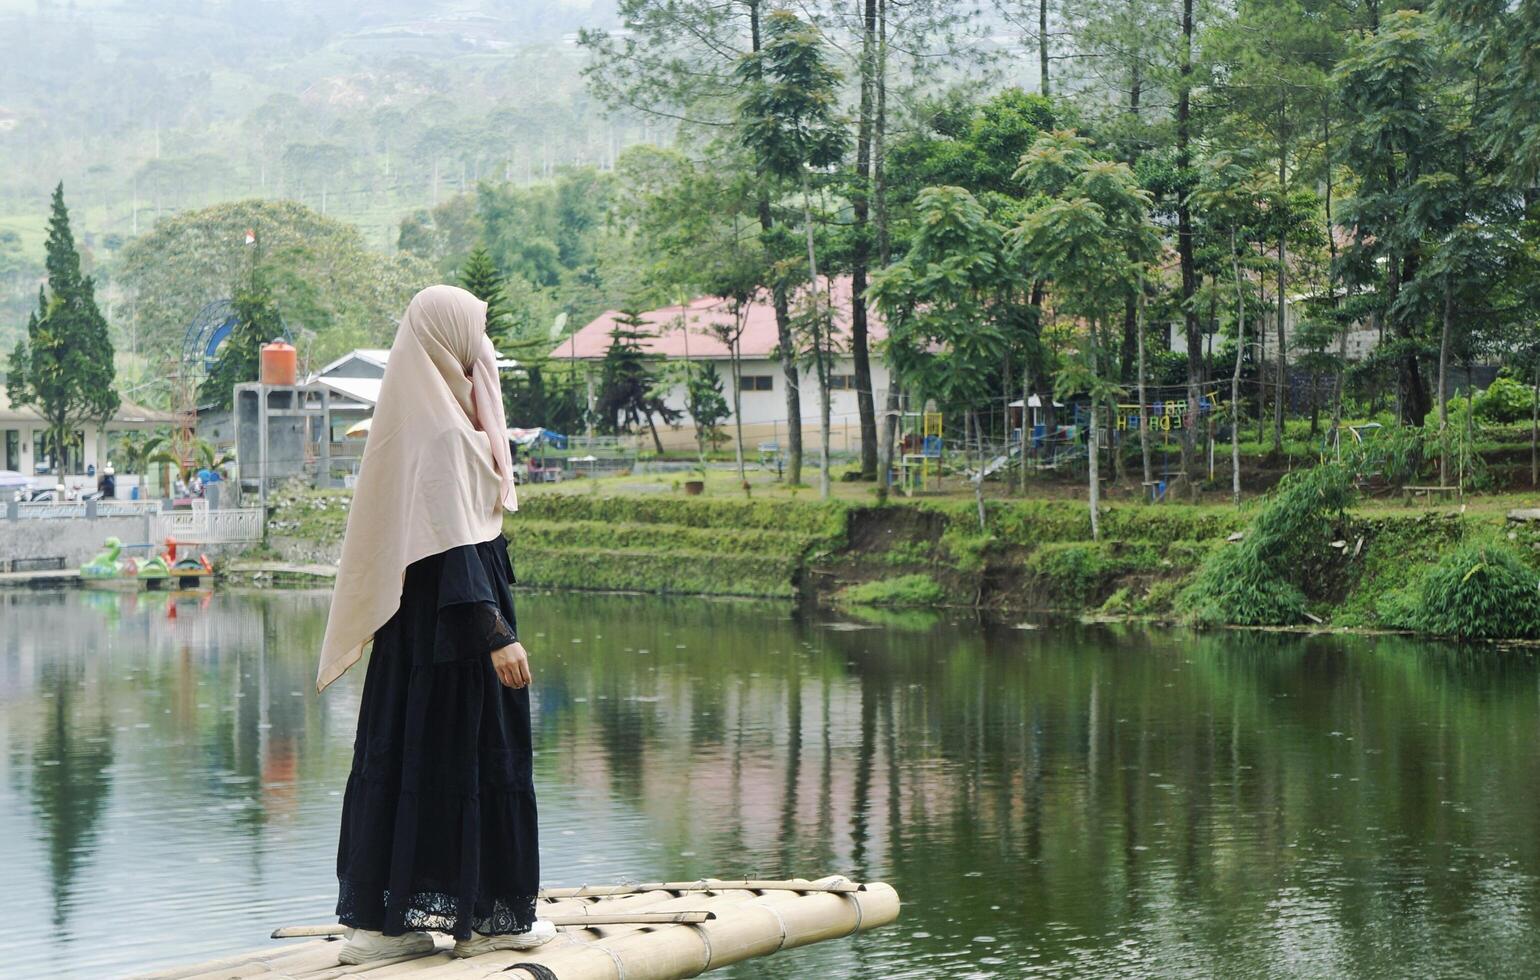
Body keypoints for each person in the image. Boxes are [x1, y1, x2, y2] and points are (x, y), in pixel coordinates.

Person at [317, 285, 552, 965]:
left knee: (414, 762)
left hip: (415, 641)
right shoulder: (445, 432)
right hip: (458, 641)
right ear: (447, 344)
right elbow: (454, 548)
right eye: (474, 335)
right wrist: (496, 636)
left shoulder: (420, 419)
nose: (483, 352)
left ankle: (378, 929)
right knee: (476, 762)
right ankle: (498, 917)